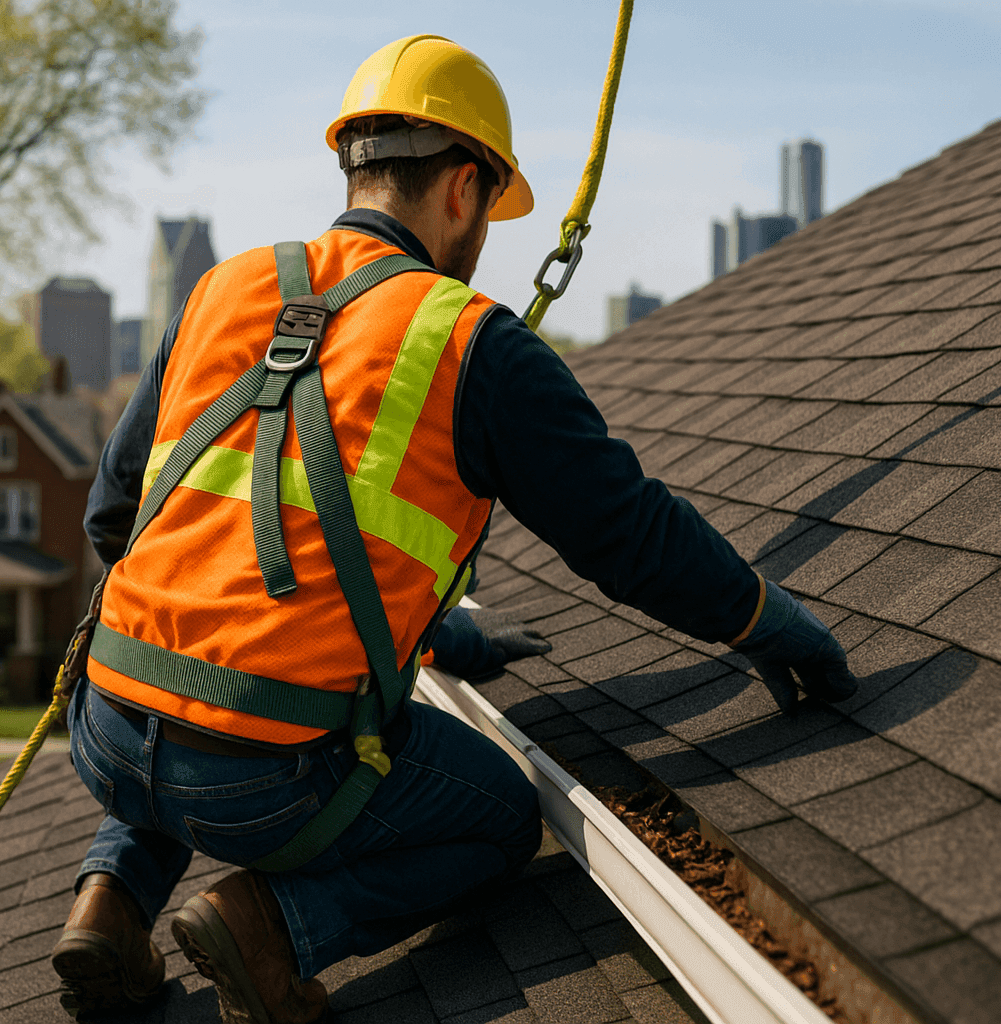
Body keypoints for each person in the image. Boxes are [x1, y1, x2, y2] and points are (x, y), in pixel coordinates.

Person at [50, 34, 859, 1024]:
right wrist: (766, 619)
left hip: (101, 726)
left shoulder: (224, 289)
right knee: (503, 813)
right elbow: (625, 533)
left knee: (187, 693)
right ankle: (273, 927)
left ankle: (110, 898)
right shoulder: (472, 341)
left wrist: (438, 637)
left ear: (356, 162)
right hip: (264, 786)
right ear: (465, 189)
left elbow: (114, 516)